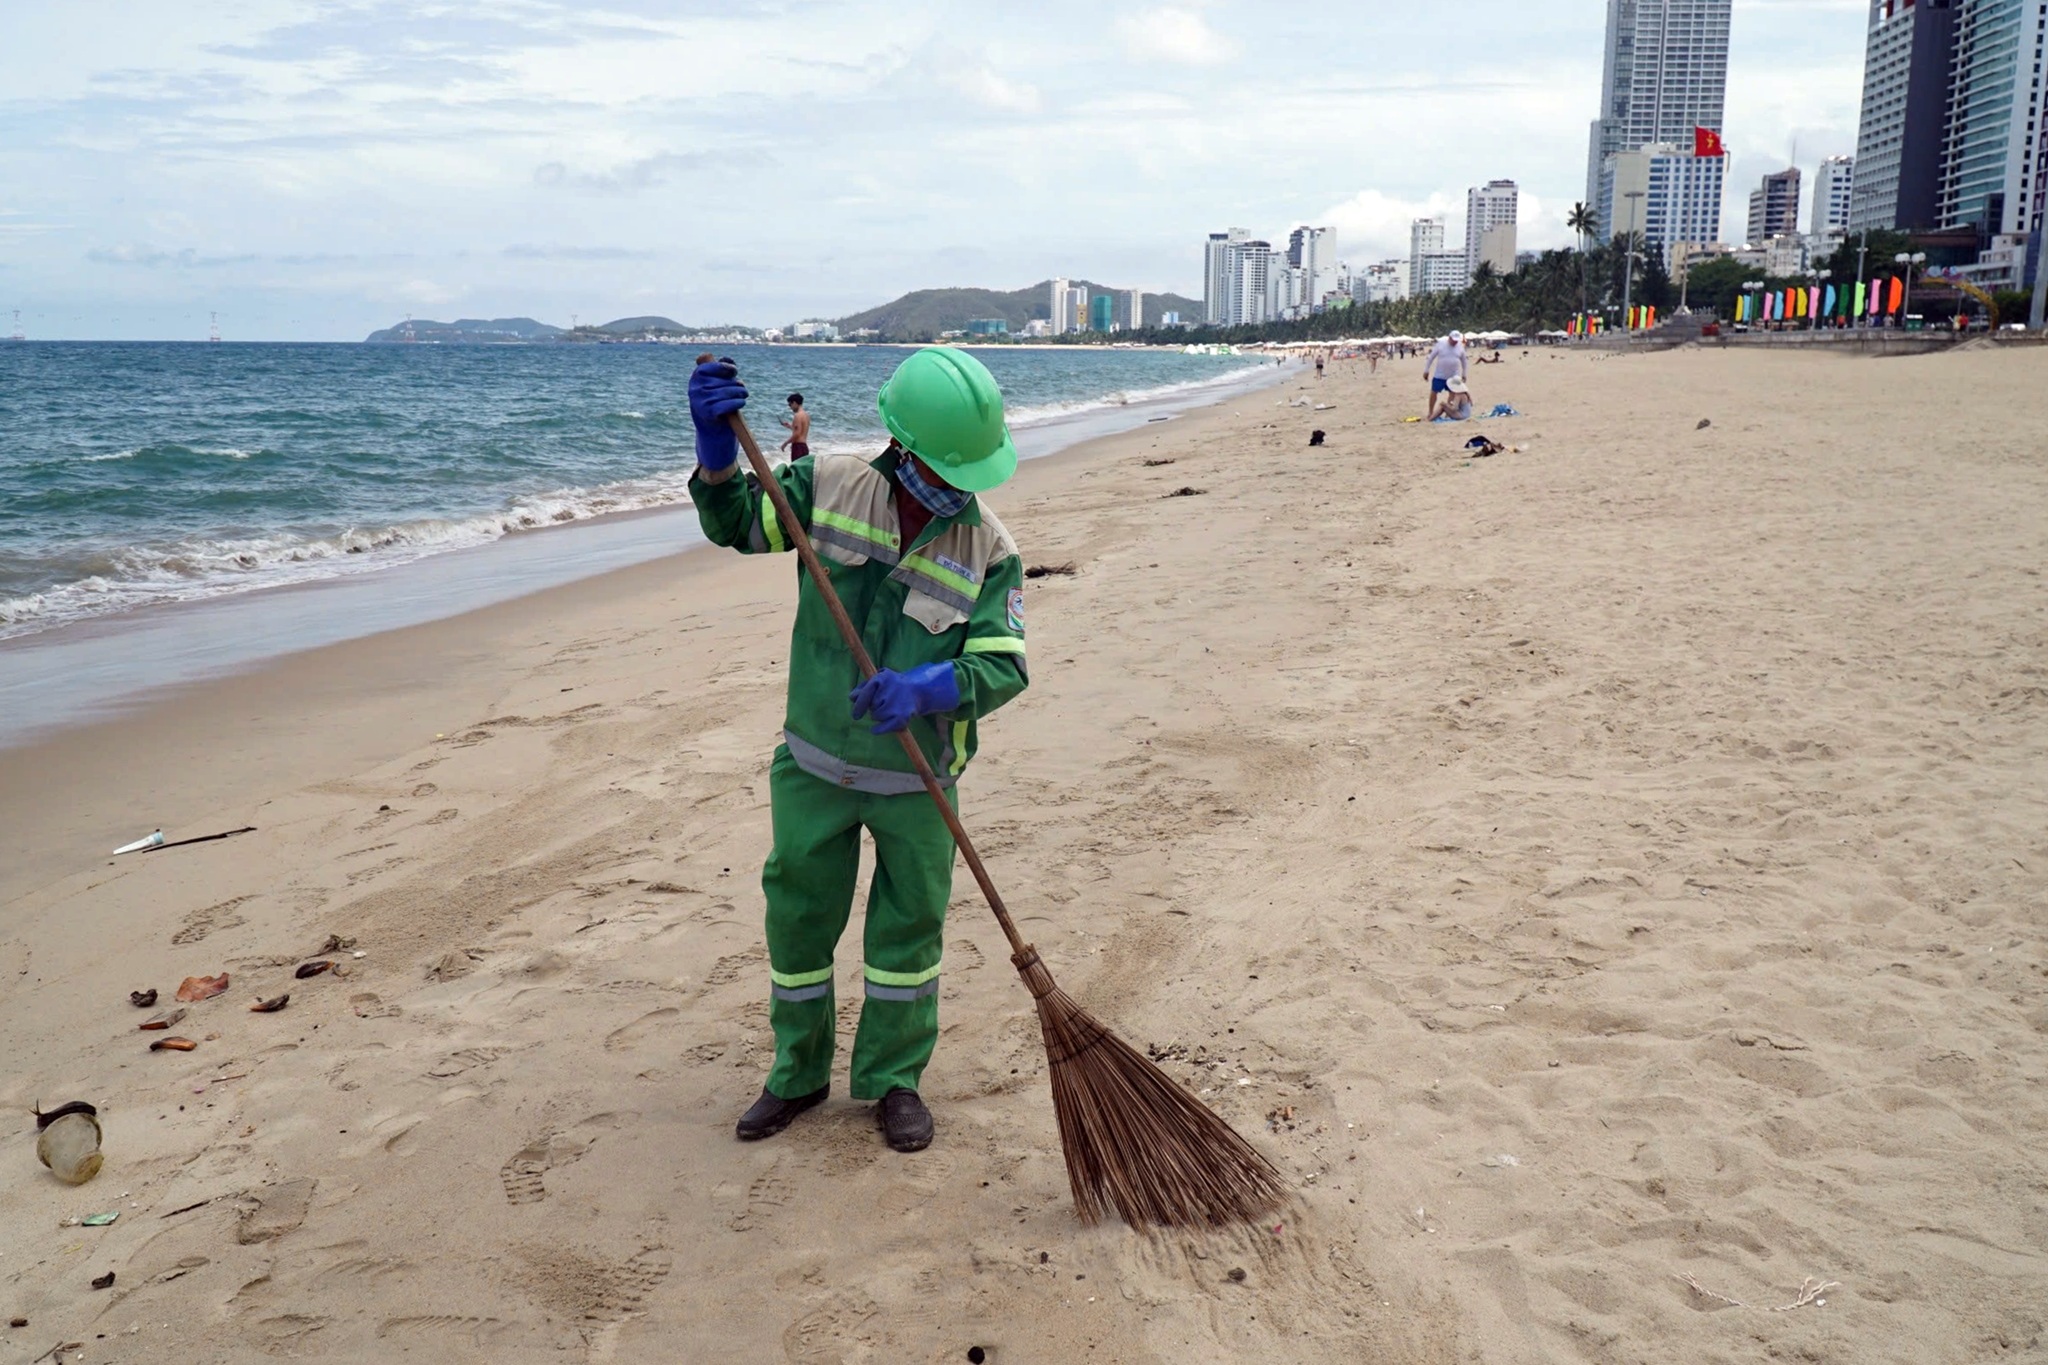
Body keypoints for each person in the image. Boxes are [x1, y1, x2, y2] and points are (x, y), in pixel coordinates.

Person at [686, 348, 1029, 1155]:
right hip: (812, 766)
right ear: (903, 448)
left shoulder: (989, 547)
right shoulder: (828, 488)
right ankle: (796, 1073)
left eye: (967, 472)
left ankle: (893, 1078)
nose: (958, 487)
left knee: (908, 935)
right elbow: (738, 522)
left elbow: (1006, 664)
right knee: (799, 924)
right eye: (946, 469)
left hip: (918, 779)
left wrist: (931, 687)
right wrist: (713, 450)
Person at [1424, 330, 1467, 419]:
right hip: (1439, 374)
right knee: (1434, 392)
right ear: (1449, 338)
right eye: (1453, 340)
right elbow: (1431, 357)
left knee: (1452, 394)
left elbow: (1464, 361)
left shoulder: (1460, 347)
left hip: (1454, 375)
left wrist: (1464, 373)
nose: (1455, 342)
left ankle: (1448, 412)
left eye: (1456, 340)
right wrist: (1426, 370)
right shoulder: (1441, 344)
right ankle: (1430, 411)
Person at [780, 392, 810, 461]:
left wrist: (785, 443)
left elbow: (797, 434)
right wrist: (790, 426)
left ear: (794, 403)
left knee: (796, 470)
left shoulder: (797, 416)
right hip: (804, 447)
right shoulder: (806, 415)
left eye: (790, 404)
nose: (790, 407)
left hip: (798, 447)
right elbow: (801, 431)